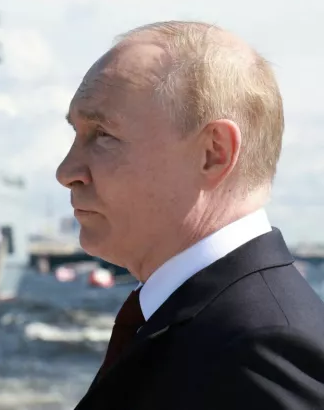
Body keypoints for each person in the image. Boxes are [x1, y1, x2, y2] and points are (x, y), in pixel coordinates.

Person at [56, 21, 324, 409]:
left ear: (213, 153)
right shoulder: (216, 323)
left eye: (103, 135)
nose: (67, 172)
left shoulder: (259, 349)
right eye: (76, 135)